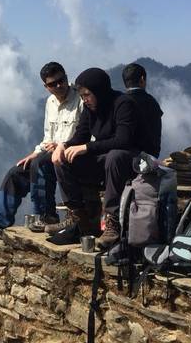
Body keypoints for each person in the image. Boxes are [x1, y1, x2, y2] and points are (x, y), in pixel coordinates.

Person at [0, 62, 83, 238]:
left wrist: (63, 145)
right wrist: (36, 151)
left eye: (61, 80)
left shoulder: (80, 99)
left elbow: (86, 134)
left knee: (40, 164)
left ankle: (46, 216)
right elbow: (48, 136)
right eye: (53, 84)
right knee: (16, 172)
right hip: (49, 154)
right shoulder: (51, 102)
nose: (59, 86)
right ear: (46, 87)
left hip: (72, 156)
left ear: (66, 77)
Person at [48, 68, 141, 248]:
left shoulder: (123, 104)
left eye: (87, 95)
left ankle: (112, 222)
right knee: (63, 160)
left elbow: (123, 140)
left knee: (115, 156)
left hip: (129, 159)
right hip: (104, 159)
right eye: (82, 96)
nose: (85, 100)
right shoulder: (91, 109)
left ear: (99, 90)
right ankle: (79, 218)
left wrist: (87, 147)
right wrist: (63, 146)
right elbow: (80, 136)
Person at [122, 63, 163, 158]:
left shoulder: (119, 103)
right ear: (142, 79)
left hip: (124, 156)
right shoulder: (152, 102)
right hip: (150, 157)